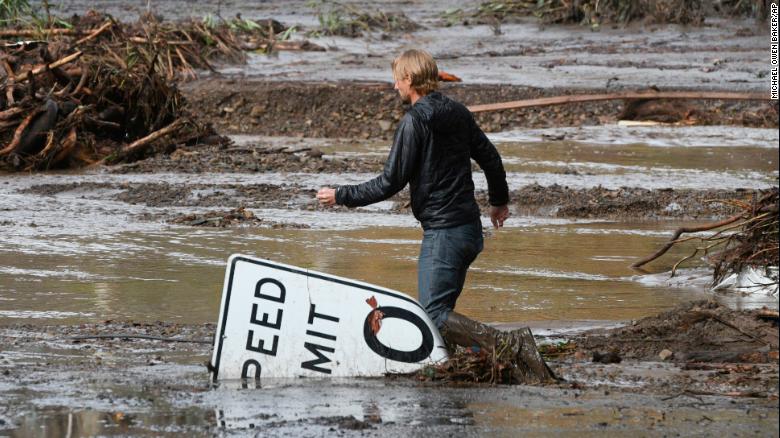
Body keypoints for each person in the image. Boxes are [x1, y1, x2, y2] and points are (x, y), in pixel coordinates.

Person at [317, 49, 554, 382]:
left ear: (409, 80)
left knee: (432, 315)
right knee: (444, 318)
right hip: (469, 232)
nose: (394, 85)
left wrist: (341, 195)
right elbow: (491, 158)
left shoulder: (415, 120)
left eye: (397, 78)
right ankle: (457, 370)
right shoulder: (457, 112)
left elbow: (390, 182)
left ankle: (508, 345)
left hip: (445, 235)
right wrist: (498, 202)